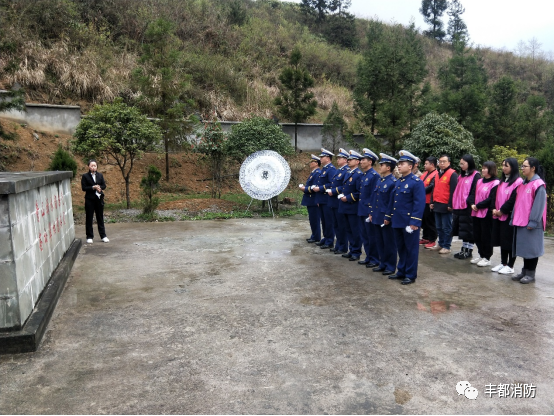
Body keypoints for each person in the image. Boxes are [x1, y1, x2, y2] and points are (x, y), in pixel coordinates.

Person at [387, 151, 426, 285]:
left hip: (409, 223)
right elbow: (394, 202)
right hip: (398, 221)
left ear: (410, 166)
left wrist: (415, 222)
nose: (399, 166)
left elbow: (419, 203)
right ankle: (401, 271)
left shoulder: (416, 182)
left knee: (411, 249)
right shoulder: (399, 182)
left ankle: (410, 274)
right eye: (399, 164)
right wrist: (389, 217)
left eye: (402, 164)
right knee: (401, 248)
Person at [510, 157, 547, 284]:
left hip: (532, 223)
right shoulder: (523, 184)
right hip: (521, 221)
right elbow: (518, 203)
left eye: (525, 166)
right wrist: (512, 218)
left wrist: (533, 221)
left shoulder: (538, 184)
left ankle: (531, 274)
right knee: (526, 249)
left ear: (533, 168)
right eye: (522, 166)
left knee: (532, 249)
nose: (522, 168)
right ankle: (524, 271)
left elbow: (539, 205)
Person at [491, 158, 523, 275]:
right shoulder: (501, 181)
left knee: (509, 241)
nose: (504, 168)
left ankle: (510, 265)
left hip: (509, 216)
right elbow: (494, 196)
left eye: (506, 166)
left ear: (513, 167)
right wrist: (494, 209)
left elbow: (513, 199)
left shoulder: (518, 182)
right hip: (498, 215)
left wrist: (502, 210)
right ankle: (503, 263)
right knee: (502, 240)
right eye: (503, 165)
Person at [369, 153, 398, 275]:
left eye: (382, 165)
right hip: (376, 215)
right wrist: (371, 213)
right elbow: (374, 199)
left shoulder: (392, 182)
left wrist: (388, 216)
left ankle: (390, 266)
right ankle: (382, 263)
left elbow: (392, 202)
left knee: (389, 243)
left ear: (388, 168)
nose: (380, 167)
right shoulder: (380, 180)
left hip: (385, 217)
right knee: (379, 241)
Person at [470, 161, 500, 267]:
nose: (482, 170)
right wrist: (472, 203)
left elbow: (491, 198)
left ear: (491, 169)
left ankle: (487, 257)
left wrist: (478, 205)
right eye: (482, 168)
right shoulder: (479, 181)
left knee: (486, 236)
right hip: (475, 212)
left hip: (486, 213)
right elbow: (472, 193)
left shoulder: (496, 183)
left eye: (485, 168)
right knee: (477, 235)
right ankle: (481, 254)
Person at [452, 154, 481, 259]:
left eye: (463, 163)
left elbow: (475, 191)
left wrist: (470, 202)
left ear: (469, 163)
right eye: (460, 164)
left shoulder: (476, 175)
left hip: (469, 207)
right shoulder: (462, 175)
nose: (461, 166)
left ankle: (469, 250)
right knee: (462, 230)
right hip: (459, 207)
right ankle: (463, 249)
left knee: (469, 230)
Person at [337, 150, 364, 261]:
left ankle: (356, 251)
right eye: (348, 159)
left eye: (351, 160)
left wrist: (347, 198)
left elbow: (358, 192)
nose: (348, 161)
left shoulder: (358, 175)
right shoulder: (348, 173)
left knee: (355, 230)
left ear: (357, 161)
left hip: (352, 205)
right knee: (348, 229)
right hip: (345, 205)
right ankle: (351, 249)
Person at [429, 155, 458, 254]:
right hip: (437, 203)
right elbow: (434, 189)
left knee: (446, 227)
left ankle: (447, 246)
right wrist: (432, 201)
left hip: (446, 205)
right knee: (439, 227)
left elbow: (454, 191)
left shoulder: (452, 174)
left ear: (449, 163)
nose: (442, 163)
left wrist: (451, 204)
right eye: (440, 161)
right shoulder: (437, 174)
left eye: (444, 161)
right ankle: (440, 244)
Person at [357, 148, 380, 267]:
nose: (361, 162)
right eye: (361, 160)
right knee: (364, 235)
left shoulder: (374, 176)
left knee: (372, 236)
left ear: (370, 162)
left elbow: (374, 195)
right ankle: (368, 257)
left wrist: (372, 211)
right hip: (361, 209)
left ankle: (375, 259)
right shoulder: (365, 175)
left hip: (368, 210)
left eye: (363, 160)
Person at [325, 148, 350, 254]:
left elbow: (345, 187)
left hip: (339, 201)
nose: (338, 160)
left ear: (345, 160)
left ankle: (343, 246)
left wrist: (334, 191)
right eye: (338, 158)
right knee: (336, 225)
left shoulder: (347, 171)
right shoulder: (339, 171)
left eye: (340, 158)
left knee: (341, 226)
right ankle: (338, 244)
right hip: (334, 202)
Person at [312, 148, 336, 249]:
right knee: (324, 221)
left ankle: (330, 240)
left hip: (327, 199)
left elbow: (331, 184)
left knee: (328, 221)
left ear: (328, 158)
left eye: (322, 157)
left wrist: (320, 188)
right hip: (322, 199)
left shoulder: (331, 169)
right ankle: (326, 238)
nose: (320, 159)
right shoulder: (324, 169)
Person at [81, 159, 109, 243]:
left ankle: (103, 235)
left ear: (97, 167)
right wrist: (93, 187)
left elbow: (104, 185)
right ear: (88, 166)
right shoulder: (85, 176)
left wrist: (100, 187)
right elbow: (84, 188)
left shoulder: (100, 175)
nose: (93, 167)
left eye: (95, 166)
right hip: (89, 199)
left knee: (100, 217)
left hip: (99, 199)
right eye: (92, 166)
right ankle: (89, 236)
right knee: (89, 217)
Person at [300, 155, 322, 244]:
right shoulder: (314, 173)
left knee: (315, 219)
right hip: (310, 200)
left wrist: (304, 189)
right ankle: (314, 235)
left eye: (312, 162)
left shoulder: (317, 173)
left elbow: (314, 187)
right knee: (312, 219)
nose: (310, 164)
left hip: (314, 200)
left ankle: (316, 236)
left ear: (316, 163)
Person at [420, 157, 439, 248]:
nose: (424, 165)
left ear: (432, 164)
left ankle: (432, 239)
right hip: (422, 201)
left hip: (429, 201)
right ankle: (426, 237)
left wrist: (419, 191)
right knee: (424, 220)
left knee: (430, 221)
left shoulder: (436, 174)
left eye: (426, 163)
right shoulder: (425, 174)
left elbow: (431, 187)